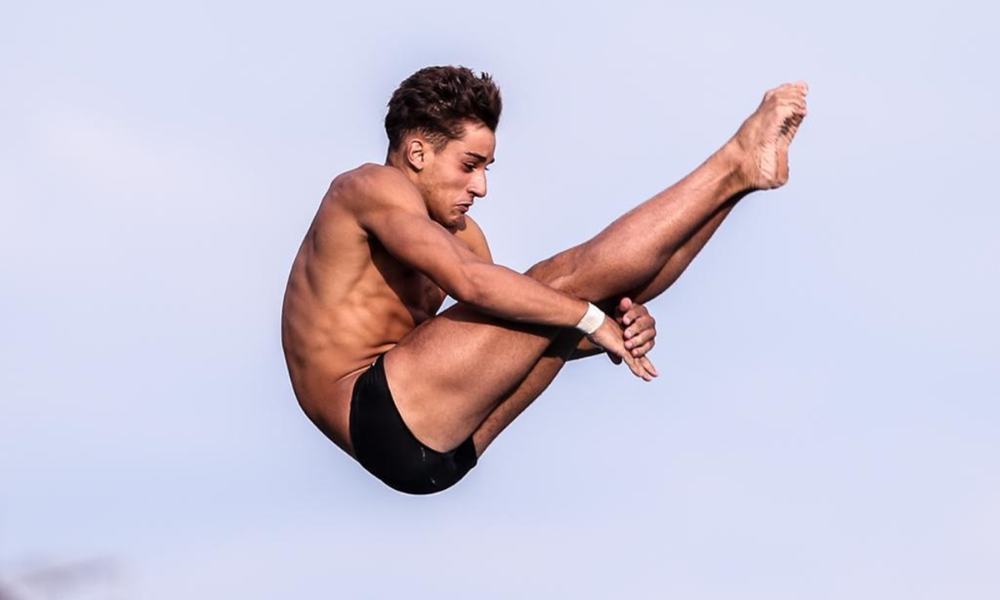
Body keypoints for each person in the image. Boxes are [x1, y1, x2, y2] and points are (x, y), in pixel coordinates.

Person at [281, 66, 808, 494]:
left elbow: (514, 335)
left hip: (441, 446)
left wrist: (612, 331)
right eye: (469, 165)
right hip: (373, 412)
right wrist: (587, 317)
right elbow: (474, 285)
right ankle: (734, 161)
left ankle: (740, 183)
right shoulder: (367, 188)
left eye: (487, 168)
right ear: (418, 152)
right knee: (556, 283)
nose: (481, 187)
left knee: (573, 294)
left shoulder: (460, 235)